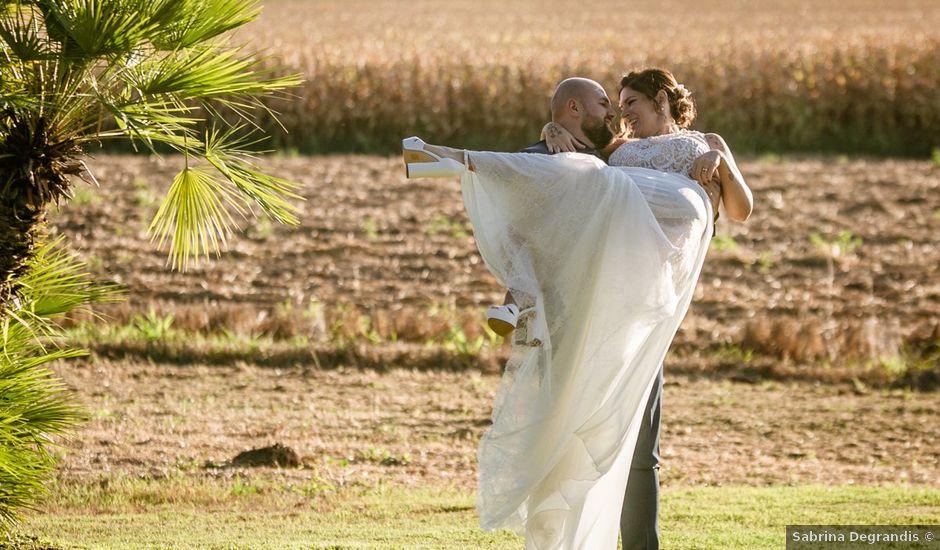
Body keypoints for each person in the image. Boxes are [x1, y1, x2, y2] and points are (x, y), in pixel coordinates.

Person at [401, 69, 752, 550]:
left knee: (640, 451)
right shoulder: (618, 153)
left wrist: (721, 165)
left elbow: (741, 209)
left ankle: (641, 544)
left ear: (663, 99)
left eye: (630, 102)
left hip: (653, 292)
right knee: (585, 428)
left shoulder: (707, 141)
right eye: (617, 103)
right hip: (611, 288)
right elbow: (565, 175)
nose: (622, 112)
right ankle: (451, 163)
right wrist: (550, 132)